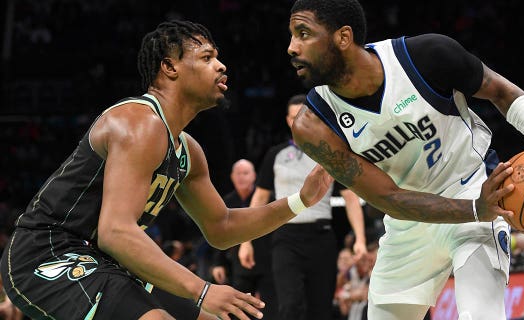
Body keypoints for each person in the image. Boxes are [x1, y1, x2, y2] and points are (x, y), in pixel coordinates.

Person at [0, 20, 333, 320]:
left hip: (107, 259)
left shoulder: (188, 150)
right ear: (170, 67)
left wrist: (300, 201)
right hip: (46, 252)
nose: (221, 66)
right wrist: (201, 289)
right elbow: (115, 231)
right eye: (206, 57)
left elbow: (222, 227)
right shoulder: (140, 123)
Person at [285, 1, 524, 319]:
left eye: (303, 34)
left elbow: (504, 93)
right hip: (410, 219)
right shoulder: (312, 126)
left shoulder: (425, 56)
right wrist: (475, 210)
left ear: (343, 37)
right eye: (292, 35)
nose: (292, 47)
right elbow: (389, 198)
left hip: (472, 187)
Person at [238, 94, 368, 320]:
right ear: (287, 120)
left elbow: (350, 198)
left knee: (321, 309)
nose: (297, 121)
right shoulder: (275, 155)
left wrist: (360, 238)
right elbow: (259, 199)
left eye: (303, 115)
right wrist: (245, 241)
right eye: (292, 117)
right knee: (290, 306)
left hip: (322, 237)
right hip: (285, 238)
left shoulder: (330, 153)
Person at [211, 159, 279, 319]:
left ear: (254, 176)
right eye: (238, 174)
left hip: (269, 262)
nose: (241, 177)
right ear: (232, 177)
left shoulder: (268, 198)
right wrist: (218, 263)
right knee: (238, 310)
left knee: (271, 310)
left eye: (245, 173)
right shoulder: (226, 202)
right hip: (239, 264)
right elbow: (217, 232)